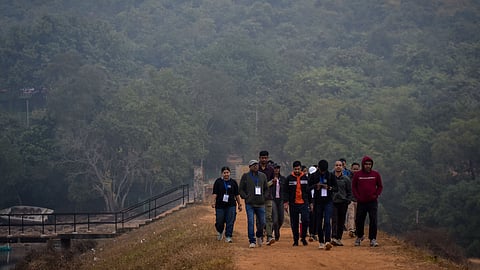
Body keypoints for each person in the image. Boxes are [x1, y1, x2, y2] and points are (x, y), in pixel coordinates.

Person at [352, 156, 383, 247]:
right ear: (363, 164)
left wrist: (376, 195)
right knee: (359, 220)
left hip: (372, 202)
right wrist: (358, 197)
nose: (368, 166)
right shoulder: (358, 175)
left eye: (369, 164)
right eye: (366, 164)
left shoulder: (376, 174)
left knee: (373, 220)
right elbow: (354, 187)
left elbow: (380, 186)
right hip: (361, 202)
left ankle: (372, 239)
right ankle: (359, 236)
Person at [308, 159, 338, 250]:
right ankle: (321, 241)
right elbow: (307, 188)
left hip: (328, 201)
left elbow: (336, 188)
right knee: (319, 221)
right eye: (321, 170)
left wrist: (328, 187)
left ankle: (327, 241)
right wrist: (315, 186)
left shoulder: (330, 176)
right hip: (318, 202)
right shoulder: (313, 176)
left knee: (327, 221)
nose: (322, 172)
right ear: (318, 168)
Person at [239, 159, 268, 248]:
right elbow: (240, 189)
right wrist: (245, 196)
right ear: (249, 167)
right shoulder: (245, 176)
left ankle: (259, 235)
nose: (255, 166)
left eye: (256, 165)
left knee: (262, 222)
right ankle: (252, 240)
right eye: (253, 165)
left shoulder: (263, 176)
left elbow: (266, 189)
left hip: (260, 203)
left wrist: (264, 197)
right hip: (250, 204)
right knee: (251, 222)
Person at [212, 166, 243, 243]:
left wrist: (239, 204)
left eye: (227, 172)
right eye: (224, 173)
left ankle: (228, 236)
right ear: (222, 173)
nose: (226, 174)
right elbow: (215, 193)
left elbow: (237, 194)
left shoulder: (233, 182)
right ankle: (220, 231)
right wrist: (213, 202)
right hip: (220, 205)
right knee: (219, 221)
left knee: (230, 221)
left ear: (230, 173)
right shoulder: (218, 182)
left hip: (231, 205)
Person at [283, 160, 310, 246]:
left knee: (305, 220)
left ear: (301, 168)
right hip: (293, 203)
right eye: (295, 169)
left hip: (304, 203)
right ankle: (295, 240)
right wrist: (286, 202)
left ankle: (303, 237)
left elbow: (309, 191)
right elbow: (285, 191)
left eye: (298, 169)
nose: (297, 171)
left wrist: (311, 202)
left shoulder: (305, 178)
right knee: (294, 222)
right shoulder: (289, 178)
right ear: (293, 169)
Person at [331, 160, 353, 246]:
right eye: (336, 165)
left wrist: (348, 200)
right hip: (333, 202)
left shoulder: (346, 179)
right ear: (334, 166)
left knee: (341, 221)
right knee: (334, 220)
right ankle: (333, 237)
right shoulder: (331, 178)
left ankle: (339, 238)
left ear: (343, 167)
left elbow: (349, 191)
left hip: (343, 202)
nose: (338, 167)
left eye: (340, 165)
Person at [258, 150, 275, 245]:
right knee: (259, 218)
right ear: (259, 158)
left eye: (265, 158)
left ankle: (269, 236)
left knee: (269, 217)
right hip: (258, 198)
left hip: (268, 196)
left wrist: (272, 183)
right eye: (262, 158)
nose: (264, 159)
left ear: (268, 158)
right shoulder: (256, 169)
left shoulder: (271, 169)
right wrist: (268, 184)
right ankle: (260, 235)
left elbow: (273, 182)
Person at [271, 163, 286, 241]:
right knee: (275, 218)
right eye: (275, 168)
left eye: (277, 168)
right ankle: (276, 233)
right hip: (272, 199)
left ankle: (276, 229)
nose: (276, 170)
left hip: (281, 199)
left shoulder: (283, 179)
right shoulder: (270, 178)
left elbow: (286, 190)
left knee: (281, 218)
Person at [346, 162, 360, 237]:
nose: (355, 171)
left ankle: (357, 230)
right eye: (354, 169)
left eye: (357, 169)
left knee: (358, 216)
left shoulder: (361, 178)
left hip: (359, 200)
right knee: (351, 215)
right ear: (351, 169)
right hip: (350, 199)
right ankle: (351, 230)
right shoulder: (348, 178)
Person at [307, 165, 318, 242]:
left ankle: (315, 233)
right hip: (310, 200)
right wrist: (310, 202)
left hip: (317, 200)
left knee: (317, 217)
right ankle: (312, 233)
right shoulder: (308, 182)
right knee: (312, 217)